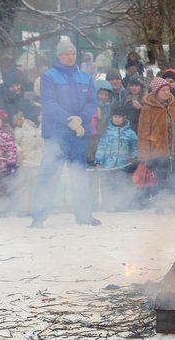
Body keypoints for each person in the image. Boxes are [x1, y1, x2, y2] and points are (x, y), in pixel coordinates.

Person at [30, 38, 100, 227]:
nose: (70, 57)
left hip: (78, 134)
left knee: (79, 174)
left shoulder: (85, 77)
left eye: (72, 54)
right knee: (49, 174)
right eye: (66, 54)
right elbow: (49, 103)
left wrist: (81, 120)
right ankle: (38, 216)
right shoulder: (49, 76)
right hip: (57, 134)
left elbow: (93, 102)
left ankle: (84, 215)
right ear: (59, 56)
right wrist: (71, 120)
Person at [138, 77, 175, 206]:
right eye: (163, 90)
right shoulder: (148, 108)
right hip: (157, 151)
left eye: (167, 89)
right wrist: (144, 155)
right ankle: (159, 205)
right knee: (159, 178)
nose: (166, 92)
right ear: (156, 92)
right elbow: (143, 133)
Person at [94, 106, 139, 211]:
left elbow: (136, 145)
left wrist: (133, 157)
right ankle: (108, 205)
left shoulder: (130, 133)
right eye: (115, 117)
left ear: (124, 118)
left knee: (121, 184)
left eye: (119, 117)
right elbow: (101, 147)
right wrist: (99, 161)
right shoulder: (107, 132)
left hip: (122, 165)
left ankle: (121, 205)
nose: (117, 119)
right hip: (108, 166)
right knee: (107, 185)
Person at [0, 108, 18, 216]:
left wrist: (11, 163)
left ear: (2, 122)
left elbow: (11, 149)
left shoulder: (6, 135)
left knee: (4, 187)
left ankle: (2, 208)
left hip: (3, 167)